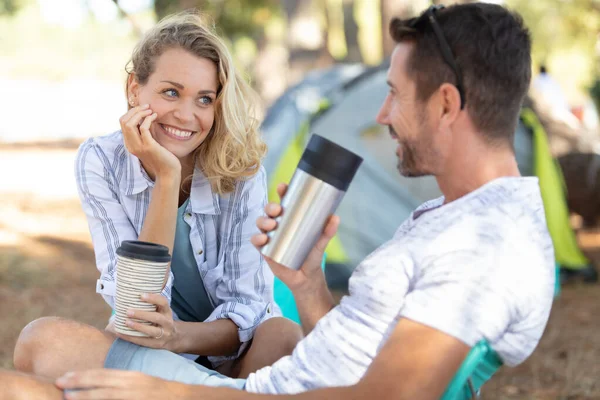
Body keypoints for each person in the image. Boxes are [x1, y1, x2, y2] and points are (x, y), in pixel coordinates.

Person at [1, 3, 555, 400]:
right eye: (170, 92)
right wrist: (310, 286)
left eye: (393, 93)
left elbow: (391, 392)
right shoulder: (453, 217)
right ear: (134, 90)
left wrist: (172, 392)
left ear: (447, 104)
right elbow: (357, 353)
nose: (382, 115)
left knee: (27, 369)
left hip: (260, 388)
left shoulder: (484, 245)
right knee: (42, 350)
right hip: (268, 382)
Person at [11, 11, 302, 381]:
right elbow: (136, 306)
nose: (185, 115)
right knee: (41, 340)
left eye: (204, 99)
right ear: (135, 89)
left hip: (228, 354)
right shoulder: (100, 161)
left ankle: (194, 391)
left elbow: (248, 310)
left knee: (284, 336)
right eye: (171, 92)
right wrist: (167, 177)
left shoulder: (241, 171)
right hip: (151, 354)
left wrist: (176, 337)